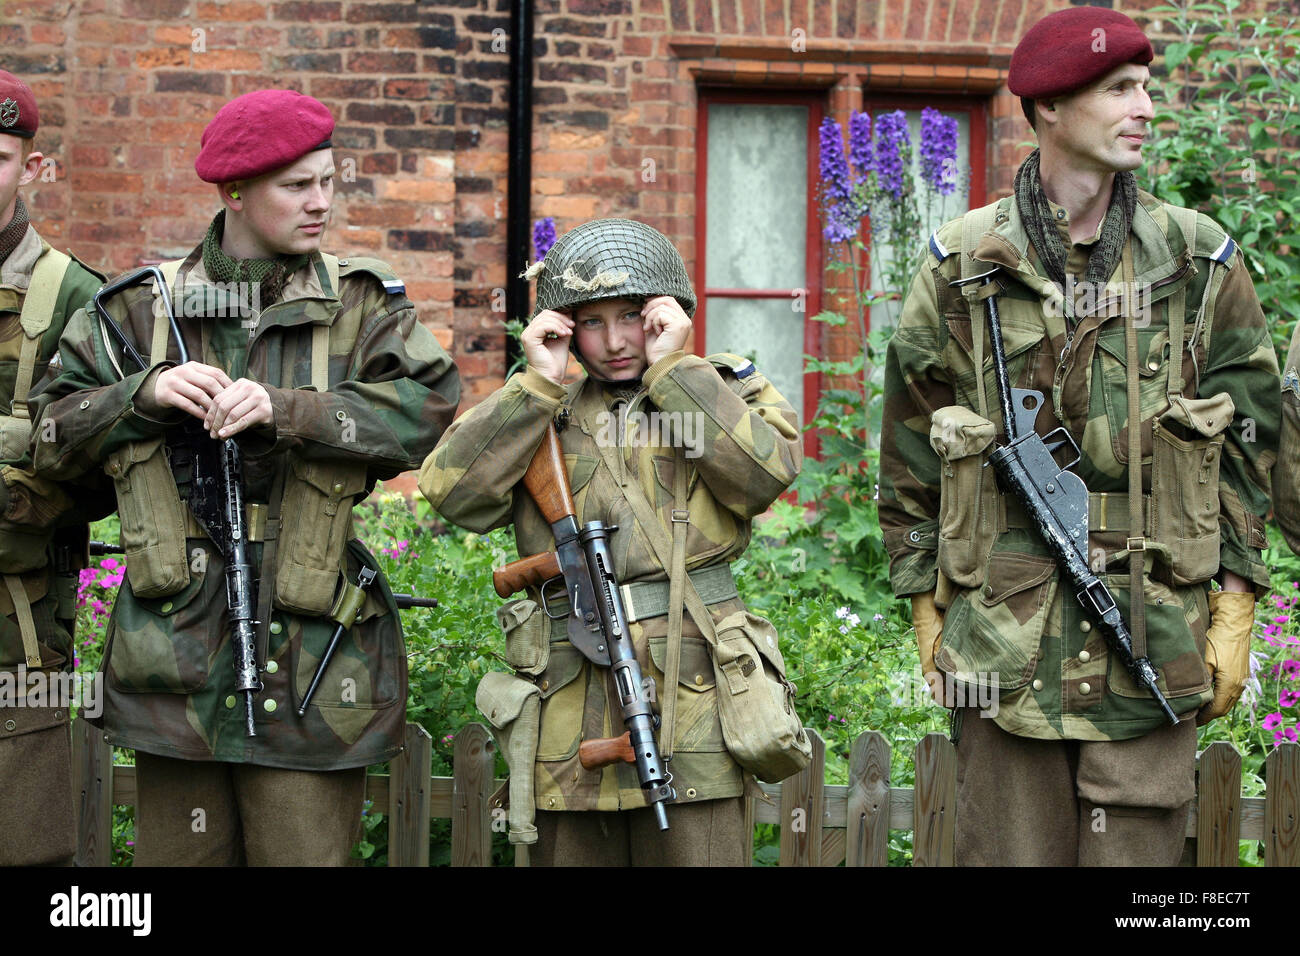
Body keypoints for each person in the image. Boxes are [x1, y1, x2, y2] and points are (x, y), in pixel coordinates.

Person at [878, 7, 1278, 866]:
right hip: (1001, 639)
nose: (1146, 108)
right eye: (1120, 90)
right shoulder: (963, 266)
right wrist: (924, 606)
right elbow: (908, 450)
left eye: (1146, 88)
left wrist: (1237, 602)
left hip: (1155, 632)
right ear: (1052, 106)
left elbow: (1254, 444)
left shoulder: (1198, 261)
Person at [28, 89, 460, 866]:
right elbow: (50, 435)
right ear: (233, 192)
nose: (321, 202)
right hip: (176, 659)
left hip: (314, 658)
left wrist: (294, 411)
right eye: (298, 186)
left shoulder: (359, 303)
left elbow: (428, 413)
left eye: (330, 181)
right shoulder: (136, 311)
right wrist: (145, 394)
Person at [419, 218, 803, 865]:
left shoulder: (721, 385)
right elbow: (451, 492)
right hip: (570, 695)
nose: (616, 340)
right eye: (592, 323)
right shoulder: (544, 409)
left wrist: (676, 369)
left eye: (632, 315)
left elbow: (765, 474)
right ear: (565, 327)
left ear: (668, 312)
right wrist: (536, 383)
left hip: (696, 696)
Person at [0, 69, 106, 867]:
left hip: (21, 642)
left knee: (30, 857)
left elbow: (107, 473)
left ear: (32, 167)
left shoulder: (72, 296)